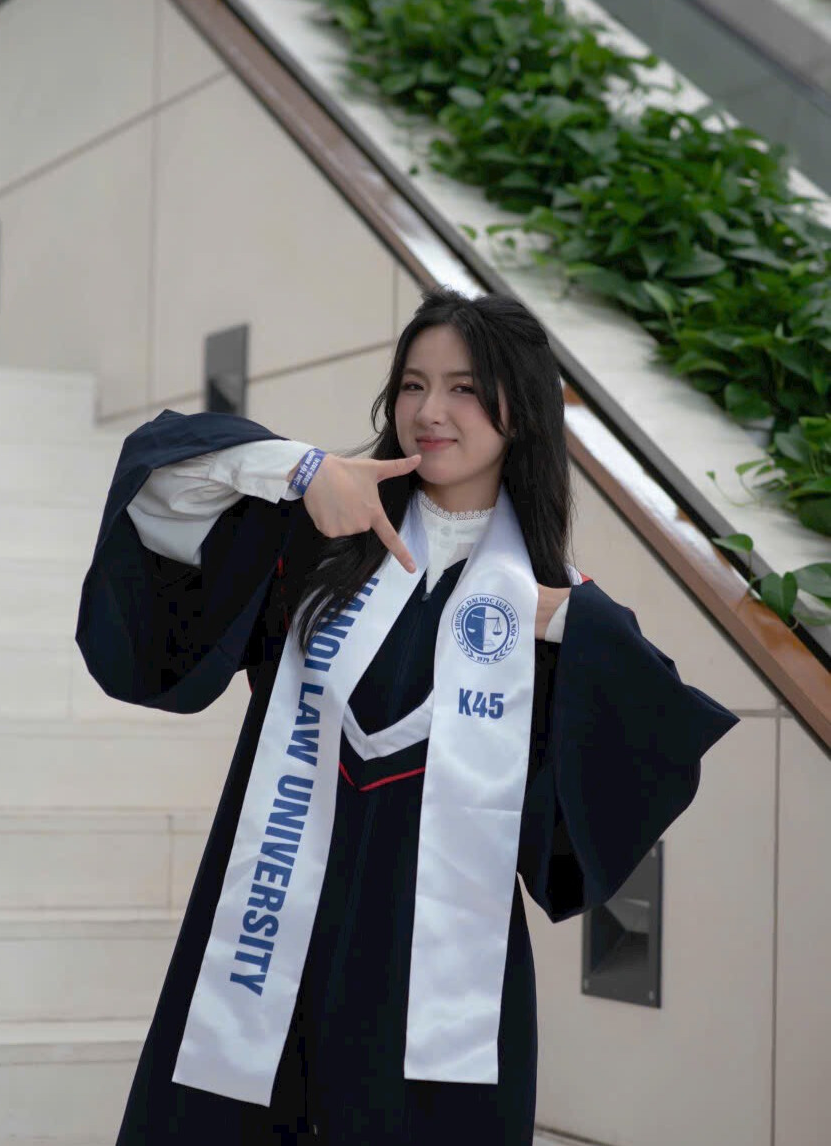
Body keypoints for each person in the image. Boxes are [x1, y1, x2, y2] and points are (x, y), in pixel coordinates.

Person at [76, 286, 740, 1145]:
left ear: (520, 409)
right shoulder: (320, 535)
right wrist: (297, 470)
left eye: (464, 388)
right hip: (267, 937)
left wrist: (572, 623)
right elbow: (160, 486)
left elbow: (658, 738)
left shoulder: (549, 610)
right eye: (414, 385)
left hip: (428, 987)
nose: (430, 411)